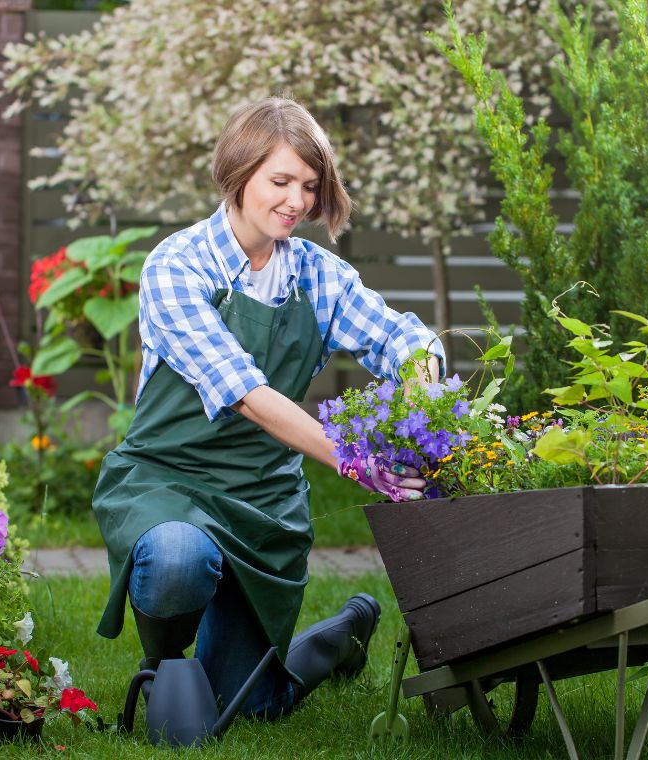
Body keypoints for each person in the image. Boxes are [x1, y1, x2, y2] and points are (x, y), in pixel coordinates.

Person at [92, 96, 444, 720]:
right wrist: (356, 460)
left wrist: (417, 387)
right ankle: (166, 663)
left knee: (251, 706)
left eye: (309, 186)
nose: (297, 201)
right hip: (170, 483)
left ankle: (337, 639)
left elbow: (406, 338)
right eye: (280, 181)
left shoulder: (315, 274)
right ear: (238, 173)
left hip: (262, 498)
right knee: (176, 559)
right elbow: (245, 394)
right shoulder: (177, 266)